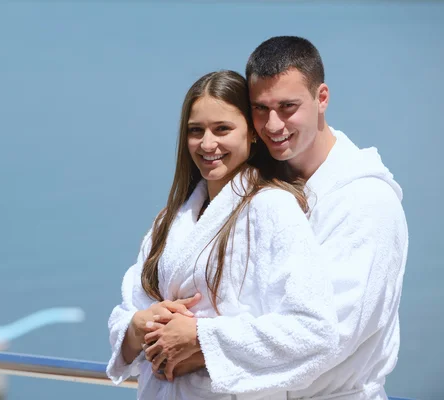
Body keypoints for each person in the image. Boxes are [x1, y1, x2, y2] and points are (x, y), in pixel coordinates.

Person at [162, 37, 409, 400]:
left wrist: (199, 344)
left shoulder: (366, 201)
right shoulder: (260, 189)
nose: (273, 124)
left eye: (288, 107)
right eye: (260, 108)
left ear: (321, 98)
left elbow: (331, 336)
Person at [107, 70, 341, 399]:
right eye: (195, 131)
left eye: (222, 129)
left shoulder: (273, 209)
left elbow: (315, 331)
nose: (207, 144)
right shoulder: (170, 220)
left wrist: (201, 336)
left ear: (252, 134)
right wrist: (137, 327)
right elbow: (128, 309)